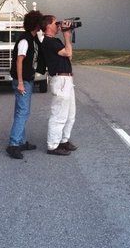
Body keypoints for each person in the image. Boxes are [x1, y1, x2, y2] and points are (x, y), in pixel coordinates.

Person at [6, 10, 44, 159]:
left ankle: (21, 141)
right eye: (40, 22)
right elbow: (19, 61)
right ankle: (14, 144)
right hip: (23, 81)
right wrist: (21, 82)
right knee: (23, 112)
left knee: (21, 112)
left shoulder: (34, 39)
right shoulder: (24, 40)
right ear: (35, 24)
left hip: (28, 79)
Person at [40, 15, 78, 156]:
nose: (58, 25)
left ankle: (63, 140)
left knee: (70, 114)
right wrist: (67, 34)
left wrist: (67, 36)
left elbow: (69, 55)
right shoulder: (48, 41)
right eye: (56, 23)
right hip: (60, 80)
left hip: (67, 79)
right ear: (48, 25)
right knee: (59, 114)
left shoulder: (55, 41)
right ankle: (53, 145)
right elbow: (68, 52)